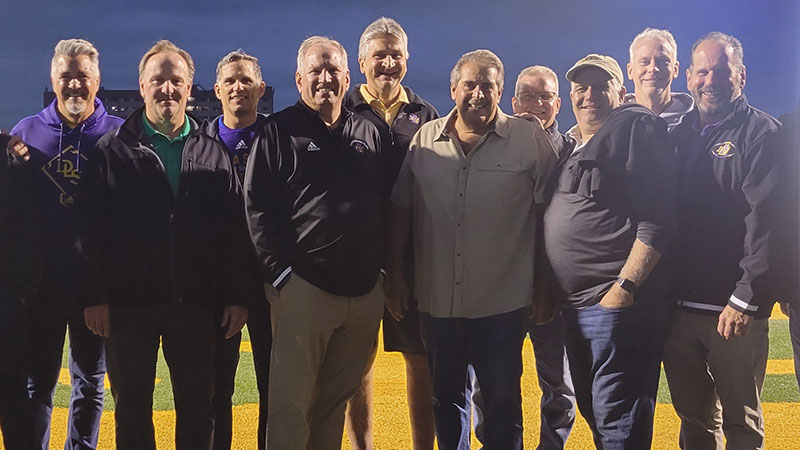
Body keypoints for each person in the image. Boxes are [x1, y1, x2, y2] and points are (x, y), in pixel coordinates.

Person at [80, 40, 253, 450]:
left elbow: (233, 231)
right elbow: (90, 232)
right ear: (142, 86)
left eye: (177, 81)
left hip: (195, 305)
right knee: (132, 411)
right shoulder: (112, 151)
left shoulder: (213, 152)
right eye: (158, 80)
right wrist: (95, 297)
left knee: (198, 409)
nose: (168, 89)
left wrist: (236, 296)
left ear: (190, 88)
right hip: (128, 307)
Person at [386, 49, 556, 450]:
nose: (478, 94)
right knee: (446, 402)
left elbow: (551, 213)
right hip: (438, 303)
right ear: (453, 89)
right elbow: (401, 209)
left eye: (488, 85)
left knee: (501, 407)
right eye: (470, 84)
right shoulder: (425, 139)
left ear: (501, 91)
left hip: (502, 304)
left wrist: (545, 284)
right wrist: (394, 274)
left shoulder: (528, 139)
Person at [244, 36, 385, 450]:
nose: (325, 78)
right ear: (299, 79)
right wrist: (282, 277)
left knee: (331, 404)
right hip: (304, 290)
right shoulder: (277, 131)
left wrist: (380, 273)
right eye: (316, 70)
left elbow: (385, 203)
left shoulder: (368, 129)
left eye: (333, 70)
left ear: (348, 76)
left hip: (362, 294)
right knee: (291, 408)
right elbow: (256, 209)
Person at [543, 53, 677, 448]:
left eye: (600, 87)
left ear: (620, 91)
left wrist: (624, 288)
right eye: (581, 88)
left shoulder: (635, 126)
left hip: (614, 305)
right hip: (576, 306)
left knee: (620, 423)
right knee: (596, 413)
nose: (589, 96)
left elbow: (658, 217)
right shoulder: (573, 143)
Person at [663, 32, 784, 449]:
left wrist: (746, 296)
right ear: (690, 77)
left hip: (732, 310)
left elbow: (768, 222)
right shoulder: (676, 132)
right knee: (694, 420)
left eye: (721, 70)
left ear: (741, 76)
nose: (709, 80)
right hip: (679, 308)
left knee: (741, 424)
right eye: (702, 71)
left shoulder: (763, 133)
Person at [10, 38, 121, 450]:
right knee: (36, 384)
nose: (74, 85)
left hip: (94, 288)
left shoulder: (118, 135)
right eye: (65, 76)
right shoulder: (27, 132)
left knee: (89, 384)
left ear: (98, 80)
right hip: (41, 288)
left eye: (82, 76)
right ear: (52, 80)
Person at [344, 17, 439, 450]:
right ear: (361, 60)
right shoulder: (340, 110)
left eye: (395, 55)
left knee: (420, 361)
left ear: (407, 59)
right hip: (355, 261)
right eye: (378, 55)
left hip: (412, 261)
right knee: (356, 365)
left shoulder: (426, 115)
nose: (387, 63)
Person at [204, 48, 271, 450]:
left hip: (271, 281)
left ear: (261, 88)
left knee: (274, 390)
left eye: (246, 80)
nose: (238, 87)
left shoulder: (281, 137)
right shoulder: (200, 141)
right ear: (217, 90)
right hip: (217, 286)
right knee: (215, 392)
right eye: (230, 81)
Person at [511, 65, 577, 449]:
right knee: (495, 380)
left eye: (546, 97)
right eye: (529, 96)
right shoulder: (490, 145)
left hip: (552, 288)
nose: (537, 104)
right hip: (502, 285)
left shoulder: (571, 152)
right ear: (514, 101)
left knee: (558, 383)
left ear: (558, 104)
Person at [0, 133, 38, 450]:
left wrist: (19, 289)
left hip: (4, 296)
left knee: (12, 395)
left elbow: (28, 225)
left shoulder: (10, 155)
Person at [625, 28, 693, 130]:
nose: (653, 68)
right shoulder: (611, 121)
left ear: (675, 69)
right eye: (644, 62)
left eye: (662, 61)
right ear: (630, 71)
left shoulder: (697, 121)